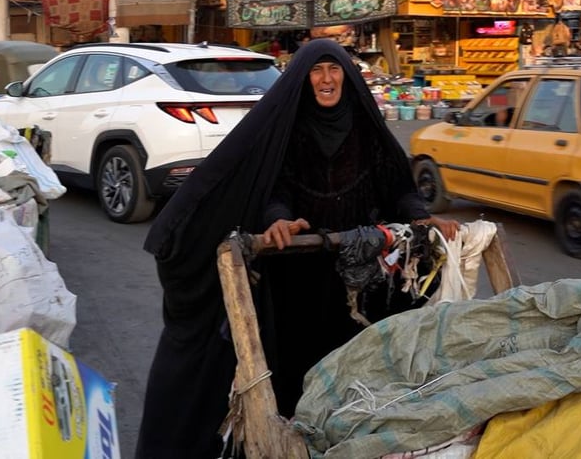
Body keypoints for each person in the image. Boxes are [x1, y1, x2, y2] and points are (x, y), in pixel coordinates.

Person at [135, 39, 459, 459]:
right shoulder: (291, 130)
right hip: (296, 276)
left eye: (334, 70)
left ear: (347, 75)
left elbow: (397, 184)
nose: (326, 79)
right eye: (316, 71)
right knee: (293, 367)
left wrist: (420, 216)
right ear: (304, 80)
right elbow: (276, 189)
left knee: (350, 364)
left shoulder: (366, 128)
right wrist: (278, 220)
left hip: (352, 279)